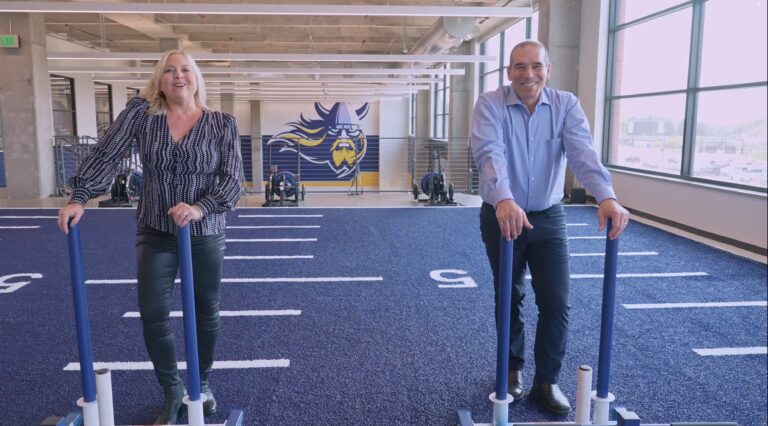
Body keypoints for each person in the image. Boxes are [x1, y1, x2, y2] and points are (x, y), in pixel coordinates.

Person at [57, 50, 243, 424]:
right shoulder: (144, 118)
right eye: (169, 71)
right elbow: (107, 154)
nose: (178, 76)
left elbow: (232, 180)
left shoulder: (222, 123)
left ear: (197, 77)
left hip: (203, 232)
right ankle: (172, 388)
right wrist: (79, 197)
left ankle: (201, 382)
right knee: (153, 312)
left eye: (185, 70)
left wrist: (199, 208)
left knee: (205, 311)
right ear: (159, 79)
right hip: (155, 231)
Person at [470, 40, 629, 415]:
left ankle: (547, 380)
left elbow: (582, 152)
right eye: (520, 67)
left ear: (548, 69)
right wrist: (504, 197)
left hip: (548, 215)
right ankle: (510, 370)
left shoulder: (565, 105)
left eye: (536, 66)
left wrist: (605, 194)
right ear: (509, 72)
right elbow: (488, 152)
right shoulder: (490, 104)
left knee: (556, 302)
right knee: (509, 295)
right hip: (501, 214)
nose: (529, 74)